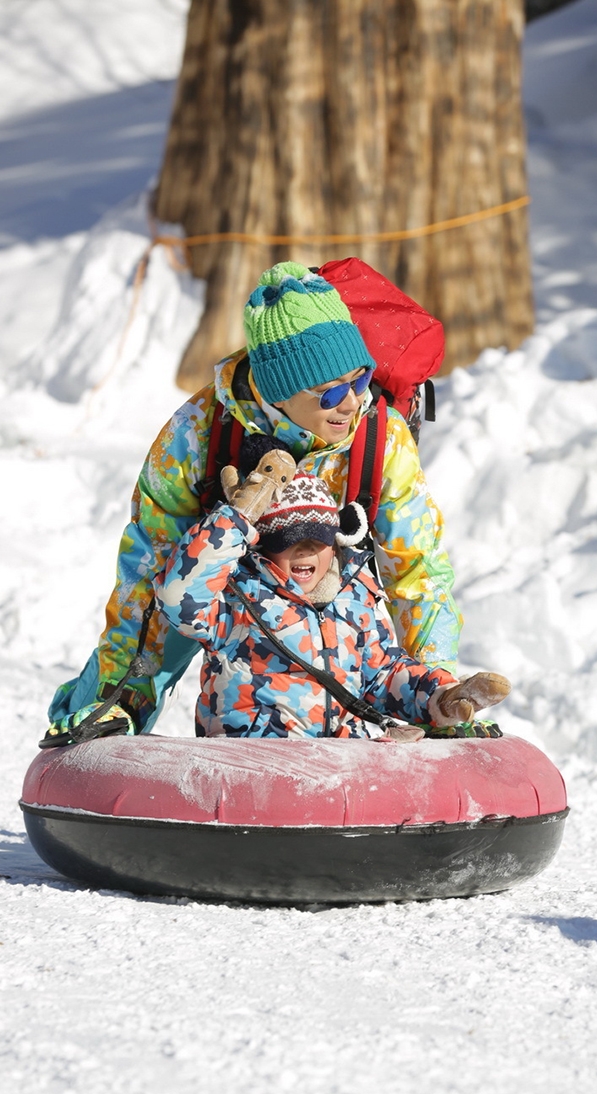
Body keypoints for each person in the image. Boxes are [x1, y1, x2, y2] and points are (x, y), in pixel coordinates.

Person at [44, 261, 462, 742]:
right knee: (165, 616)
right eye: (330, 393)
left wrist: (439, 694)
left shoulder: (380, 437)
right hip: (217, 587)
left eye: (360, 379)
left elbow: (418, 570)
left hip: (333, 591)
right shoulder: (197, 434)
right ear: (279, 392)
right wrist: (120, 697)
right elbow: (147, 577)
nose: (351, 403)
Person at [150, 469, 508, 739]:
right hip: (255, 761)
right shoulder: (237, 598)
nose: (305, 550)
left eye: (317, 540)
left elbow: (382, 674)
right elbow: (177, 597)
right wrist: (236, 518)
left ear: (335, 544)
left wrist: (440, 696)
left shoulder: (355, 597)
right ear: (261, 545)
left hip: (342, 764)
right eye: (289, 540)